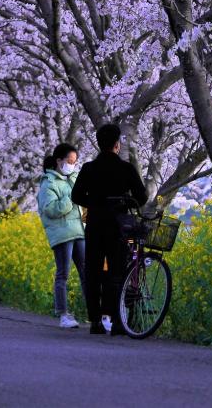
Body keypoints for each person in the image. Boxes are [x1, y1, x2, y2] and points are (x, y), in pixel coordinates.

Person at [68, 122, 147, 335]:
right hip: (118, 227)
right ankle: (114, 319)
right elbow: (142, 196)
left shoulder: (88, 168)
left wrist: (94, 203)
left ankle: (95, 321)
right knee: (117, 272)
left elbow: (75, 196)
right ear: (117, 144)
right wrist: (125, 201)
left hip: (94, 226)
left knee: (93, 272)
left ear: (99, 143)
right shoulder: (126, 168)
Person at [37, 142, 85, 329]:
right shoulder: (48, 183)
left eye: (74, 162)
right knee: (63, 274)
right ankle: (63, 314)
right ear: (59, 161)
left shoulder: (72, 178)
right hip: (62, 234)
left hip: (79, 231)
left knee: (86, 272)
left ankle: (95, 313)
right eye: (69, 161)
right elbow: (49, 209)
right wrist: (70, 199)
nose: (72, 165)